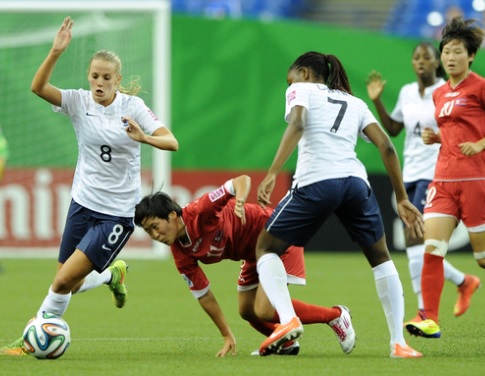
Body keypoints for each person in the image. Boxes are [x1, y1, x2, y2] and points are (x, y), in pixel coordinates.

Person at [1, 16, 179, 356]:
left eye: (106, 77)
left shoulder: (133, 107)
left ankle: (30, 342)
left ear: (118, 80)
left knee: (62, 282)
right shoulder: (78, 102)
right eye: (95, 76)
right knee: (71, 281)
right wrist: (55, 52)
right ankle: (113, 276)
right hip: (82, 203)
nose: (99, 82)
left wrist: (143, 137)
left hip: (117, 214)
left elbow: (172, 142)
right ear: (88, 76)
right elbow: (37, 88)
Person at [252, 51, 424, 358]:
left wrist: (272, 173)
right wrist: (401, 197)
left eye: (289, 79)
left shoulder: (299, 89)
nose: (288, 86)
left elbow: (299, 124)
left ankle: (287, 319)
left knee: (266, 248)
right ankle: (399, 343)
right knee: (381, 258)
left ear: (304, 73)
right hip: (356, 183)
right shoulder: (354, 102)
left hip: (317, 180)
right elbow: (386, 145)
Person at [404, 17, 485, 340]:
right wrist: (437, 138)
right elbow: (454, 131)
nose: (450, 57)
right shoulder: (439, 94)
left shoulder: (483, 86)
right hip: (443, 180)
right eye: (446, 52)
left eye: (457, 52)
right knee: (432, 248)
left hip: (476, 179)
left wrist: (480, 143)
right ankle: (429, 318)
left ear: (471, 55)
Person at [133, 175, 355, 357]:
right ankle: (286, 341)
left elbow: (241, 180)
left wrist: (239, 200)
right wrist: (227, 335)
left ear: (172, 215)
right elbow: (204, 295)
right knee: (247, 311)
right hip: (254, 254)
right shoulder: (180, 252)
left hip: (276, 236)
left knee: (264, 310)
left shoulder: (201, 210)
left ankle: (335, 315)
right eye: (148, 231)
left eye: (155, 226)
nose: (155, 235)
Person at [366, 42, 481, 324]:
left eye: (426, 57)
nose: (420, 62)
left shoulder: (445, 91)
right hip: (410, 174)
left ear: (436, 62)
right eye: (416, 57)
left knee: (415, 239)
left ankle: (424, 311)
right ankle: (463, 282)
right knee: (417, 243)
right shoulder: (406, 92)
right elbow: (393, 129)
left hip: (438, 171)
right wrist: (377, 101)